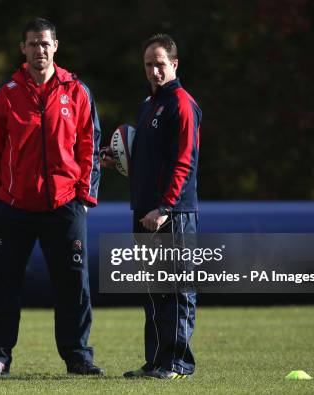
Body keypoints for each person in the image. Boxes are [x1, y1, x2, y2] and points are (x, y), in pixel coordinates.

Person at [0, 18, 103, 376]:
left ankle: (78, 356)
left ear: (56, 47)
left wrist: (83, 197)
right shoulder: (6, 94)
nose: (40, 50)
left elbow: (89, 146)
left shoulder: (77, 91)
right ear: (23, 49)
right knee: (2, 288)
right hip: (12, 208)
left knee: (73, 287)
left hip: (64, 206)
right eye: (33, 43)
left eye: (45, 43)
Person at [101, 34, 202, 379]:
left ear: (174, 64)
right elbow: (143, 158)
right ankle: (157, 360)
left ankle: (178, 364)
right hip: (144, 211)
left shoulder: (182, 104)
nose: (154, 70)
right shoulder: (149, 105)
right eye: (149, 64)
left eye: (160, 63)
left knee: (176, 288)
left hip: (170, 214)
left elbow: (183, 162)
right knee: (153, 290)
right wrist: (114, 160)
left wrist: (165, 207)